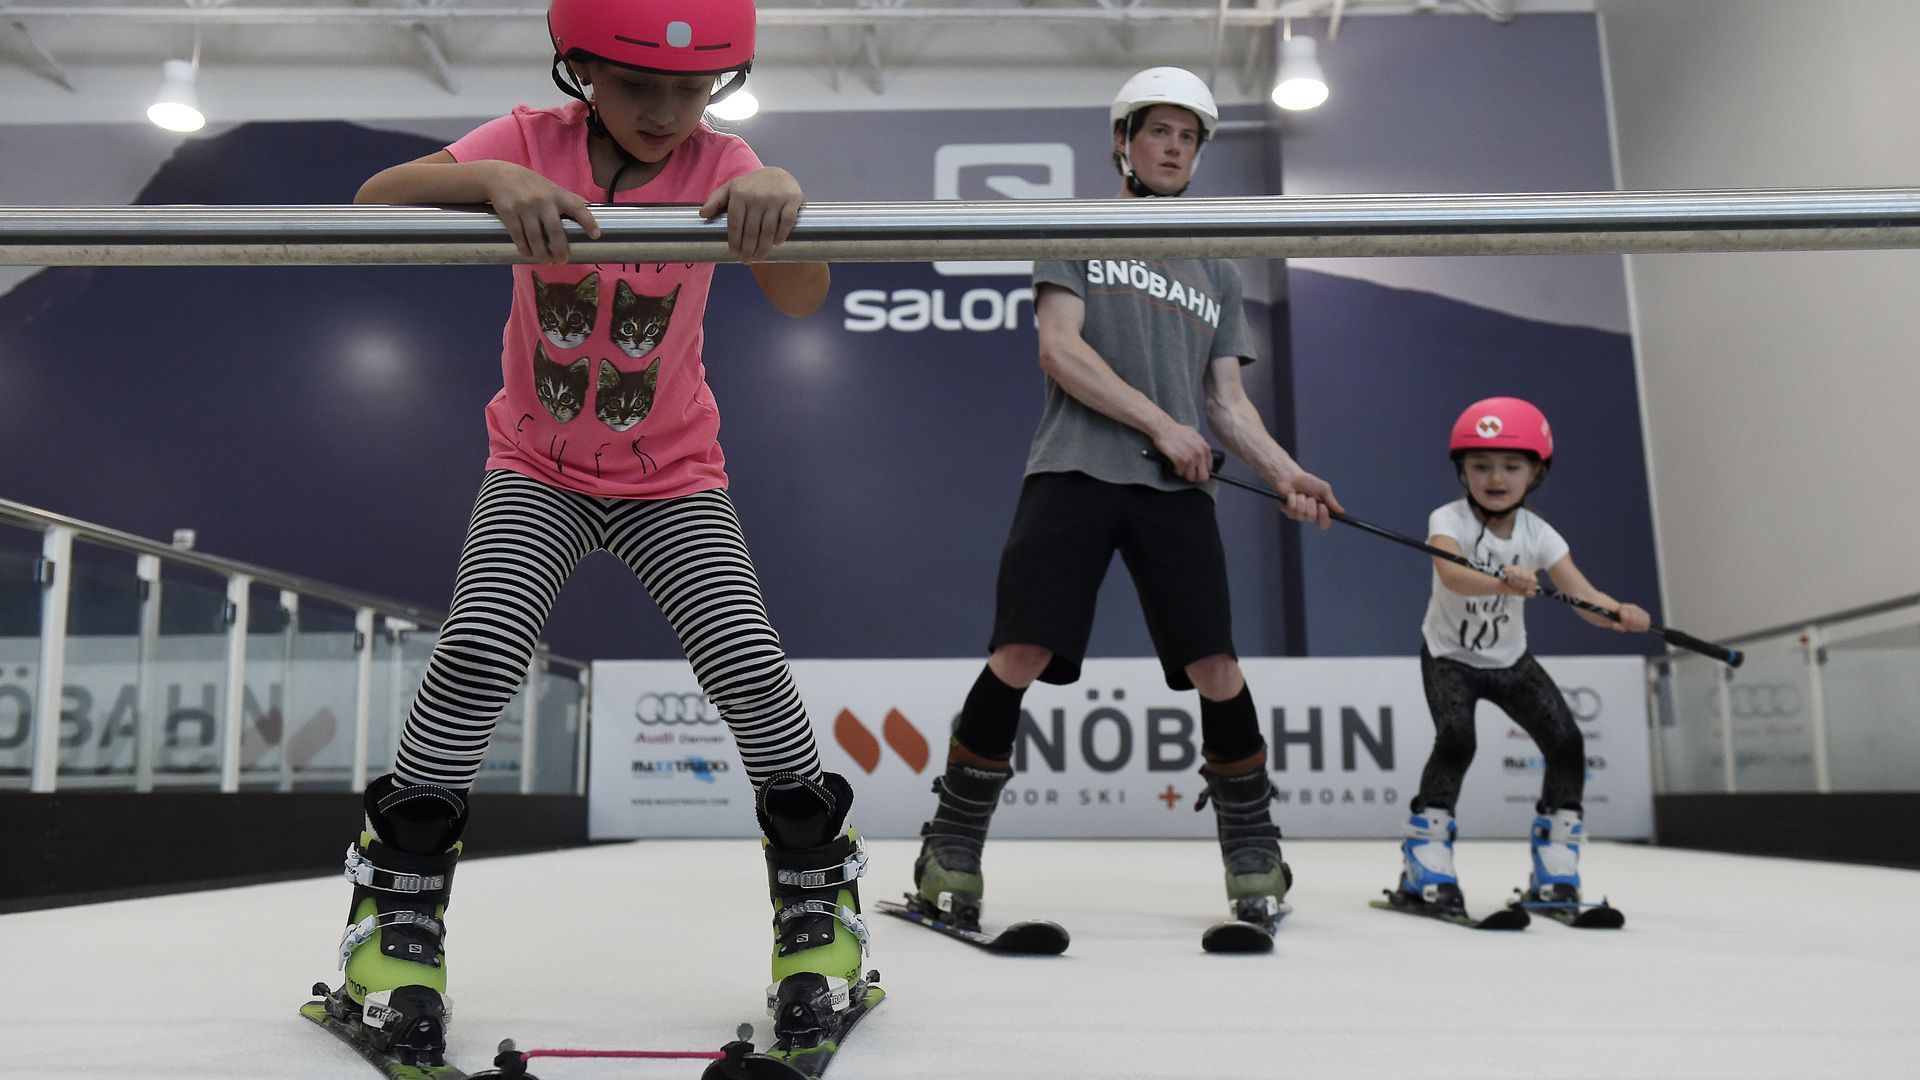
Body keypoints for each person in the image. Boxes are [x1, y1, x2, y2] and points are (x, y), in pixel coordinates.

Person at [314, 0, 873, 1062]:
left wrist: (780, 196)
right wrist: (489, 179)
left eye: (691, 90)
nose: (666, 112)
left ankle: (817, 910)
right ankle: (395, 923)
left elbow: (802, 298)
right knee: (479, 648)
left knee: (749, 667)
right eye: (637, 86)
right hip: (537, 468)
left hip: (674, 479)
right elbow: (375, 200)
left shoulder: (725, 160)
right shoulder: (528, 139)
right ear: (579, 71)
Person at [907, 67, 1341, 948]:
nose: (1175, 147)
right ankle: (950, 850)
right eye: (1159, 132)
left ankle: (1253, 853)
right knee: (1020, 651)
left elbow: (1226, 403)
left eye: (1189, 136)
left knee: (1217, 665)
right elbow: (1058, 351)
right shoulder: (1077, 226)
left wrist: (1290, 472)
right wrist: (1158, 421)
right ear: (1124, 142)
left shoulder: (1215, 262)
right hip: (1071, 471)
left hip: (1172, 491)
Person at [1393, 397, 1651, 916]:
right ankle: (1426, 859)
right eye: (1481, 465)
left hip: (1511, 663)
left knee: (1566, 742)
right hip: (1450, 659)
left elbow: (1585, 598)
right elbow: (1452, 575)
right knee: (1457, 740)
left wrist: (1618, 610)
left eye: (1512, 466)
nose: (1495, 477)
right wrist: (1503, 581)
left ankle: (1556, 866)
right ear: (1462, 471)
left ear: (1536, 473)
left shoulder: (1540, 534)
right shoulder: (1448, 518)